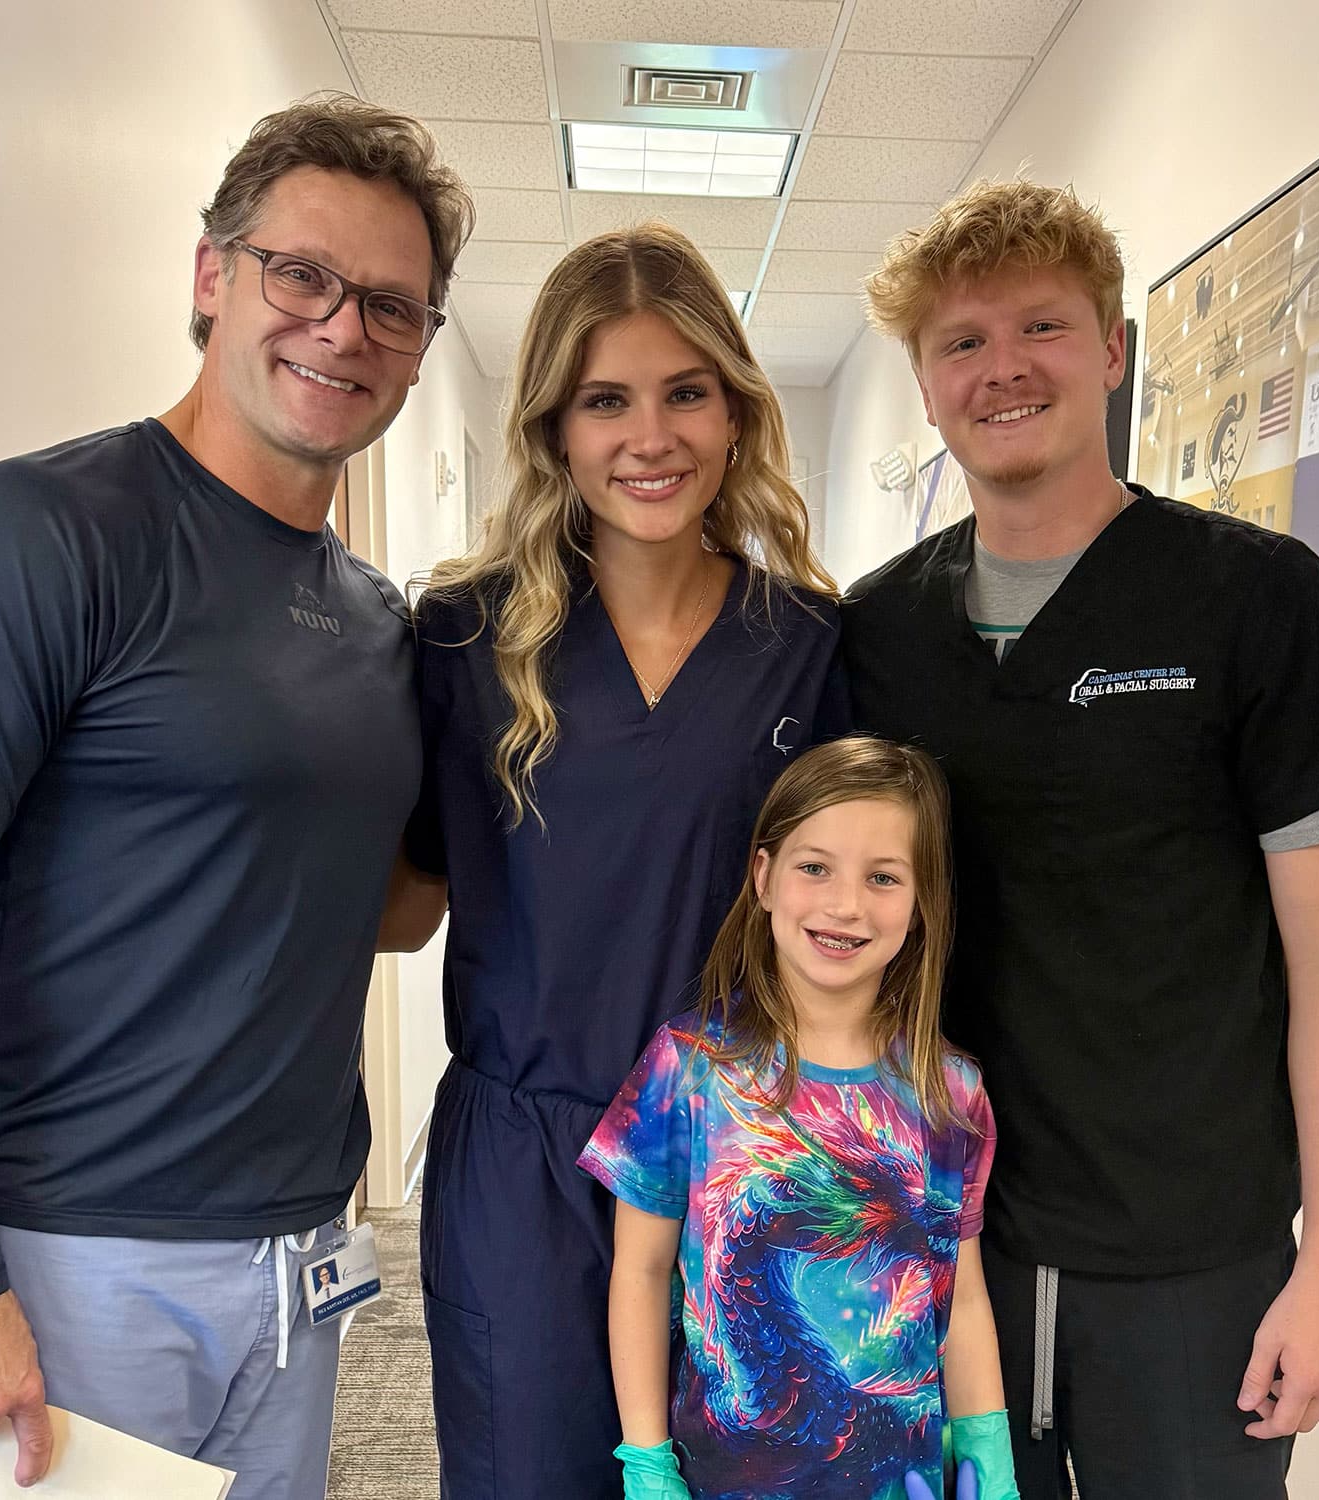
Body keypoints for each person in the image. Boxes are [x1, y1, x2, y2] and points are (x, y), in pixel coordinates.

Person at [0, 95, 470, 1497]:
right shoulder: (30, 538)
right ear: (212, 277)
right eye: (304, 275)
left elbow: (382, 912)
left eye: (393, 307)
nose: (343, 328)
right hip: (61, 1263)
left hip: (298, 1260)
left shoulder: (370, 617)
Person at [841, 179, 1319, 1500]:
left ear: (1111, 350)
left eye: (1040, 326)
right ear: (925, 386)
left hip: (1190, 1262)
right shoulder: (879, 631)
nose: (1003, 370)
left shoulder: (1252, 600)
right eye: (961, 343)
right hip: (948, 1246)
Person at [407, 221, 846, 1498]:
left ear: (734, 411)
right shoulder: (461, 641)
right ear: (554, 427)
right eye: (605, 400)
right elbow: (390, 885)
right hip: (522, 1166)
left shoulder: (811, 646)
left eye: (684, 393)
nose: (648, 438)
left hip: (741, 1153)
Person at [581, 736, 1020, 1500]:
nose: (845, 905)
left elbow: (965, 1294)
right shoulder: (687, 1069)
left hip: (902, 1478)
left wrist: (989, 1450)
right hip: (729, 1480)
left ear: (921, 908)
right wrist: (644, 1459)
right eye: (814, 867)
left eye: (883, 878)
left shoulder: (951, 1095)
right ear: (765, 879)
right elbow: (642, 1272)